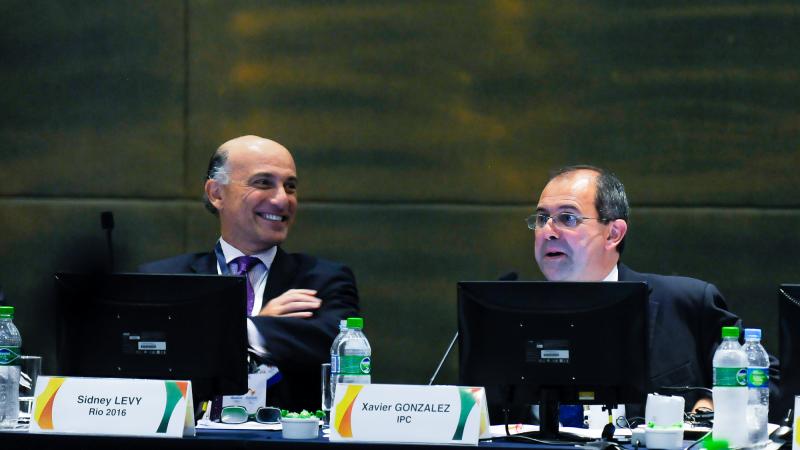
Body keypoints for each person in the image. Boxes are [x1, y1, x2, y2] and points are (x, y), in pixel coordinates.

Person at [529, 165, 778, 415]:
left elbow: (771, 380)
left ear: (613, 233)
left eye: (568, 218)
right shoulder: (513, 315)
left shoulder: (686, 303)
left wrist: (712, 406)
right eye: (542, 219)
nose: (548, 232)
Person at [140, 135, 359, 412]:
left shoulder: (323, 280)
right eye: (263, 183)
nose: (282, 200)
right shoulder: (164, 280)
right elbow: (153, 363)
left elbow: (336, 347)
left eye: (290, 186)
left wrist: (247, 329)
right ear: (216, 193)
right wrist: (260, 326)